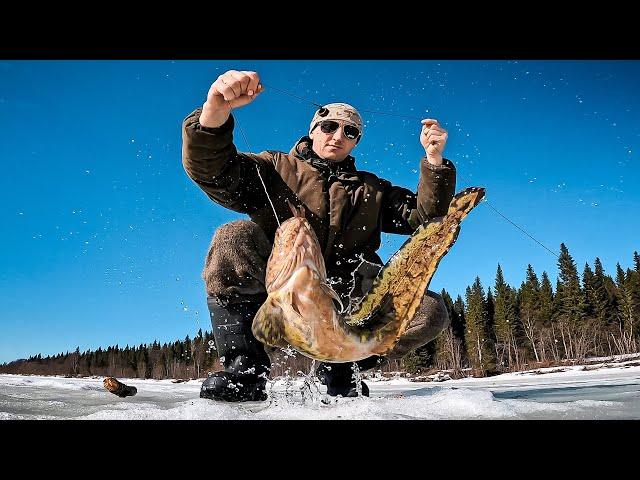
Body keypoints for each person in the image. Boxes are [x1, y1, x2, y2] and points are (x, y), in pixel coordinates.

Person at [182, 70, 456, 402]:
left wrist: (433, 161)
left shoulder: (373, 190)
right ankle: (245, 371)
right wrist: (214, 112)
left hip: (349, 306)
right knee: (232, 237)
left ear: (356, 141)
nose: (338, 135)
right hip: (281, 304)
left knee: (429, 310)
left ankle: (343, 366)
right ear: (313, 130)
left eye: (350, 131)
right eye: (329, 126)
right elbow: (215, 171)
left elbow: (427, 220)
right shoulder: (275, 167)